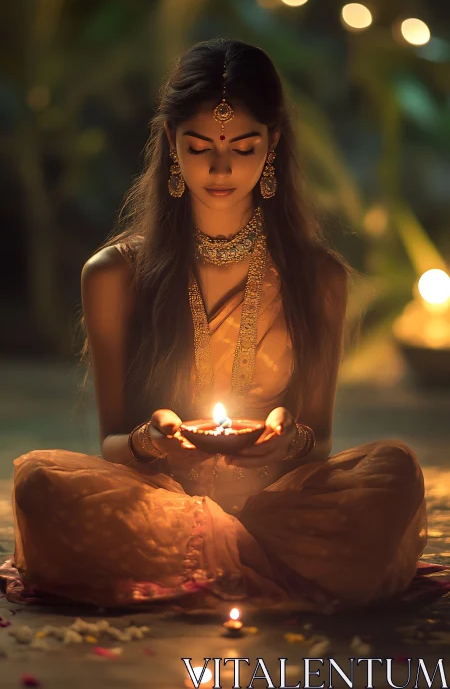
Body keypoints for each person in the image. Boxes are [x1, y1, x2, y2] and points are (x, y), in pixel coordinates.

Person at [0, 38, 427, 612]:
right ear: (171, 148)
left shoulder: (319, 277)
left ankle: (221, 558)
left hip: (277, 507)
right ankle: (231, 558)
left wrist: (287, 436)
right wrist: (152, 444)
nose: (221, 168)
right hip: (163, 506)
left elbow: (318, 444)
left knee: (392, 475)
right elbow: (111, 446)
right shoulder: (115, 273)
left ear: (273, 144)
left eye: (244, 148)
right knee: (41, 488)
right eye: (199, 148)